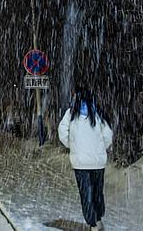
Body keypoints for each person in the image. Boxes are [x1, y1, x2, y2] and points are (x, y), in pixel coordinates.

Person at [58, 87, 113, 231]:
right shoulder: (97, 113)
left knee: (86, 193)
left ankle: (92, 223)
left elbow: (62, 132)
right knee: (97, 191)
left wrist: (73, 145)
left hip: (80, 162)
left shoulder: (71, 114)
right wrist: (101, 148)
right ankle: (98, 217)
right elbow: (108, 135)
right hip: (98, 162)